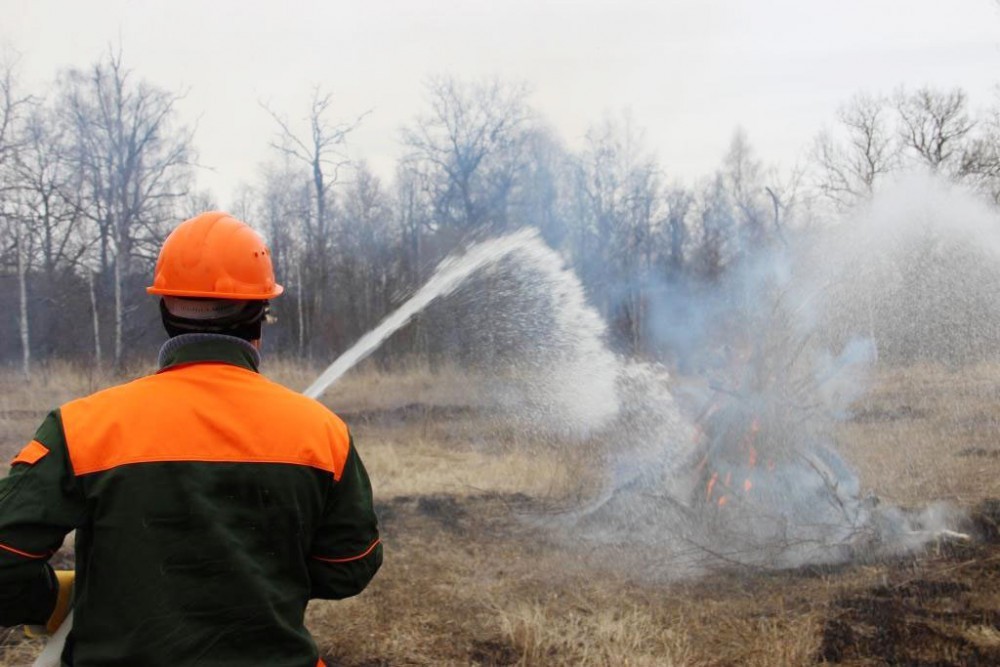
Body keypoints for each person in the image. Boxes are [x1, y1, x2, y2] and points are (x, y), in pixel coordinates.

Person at [0, 211, 382, 666]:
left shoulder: (81, 426)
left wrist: (56, 597)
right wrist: (260, 576)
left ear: (165, 310)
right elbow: (349, 568)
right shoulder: (322, 432)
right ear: (261, 313)